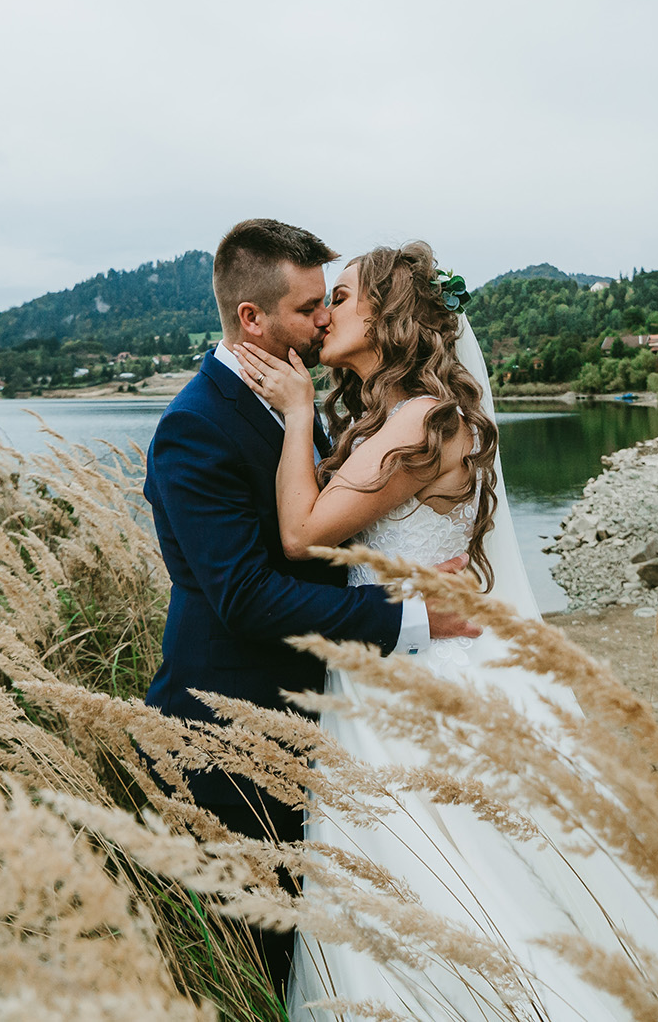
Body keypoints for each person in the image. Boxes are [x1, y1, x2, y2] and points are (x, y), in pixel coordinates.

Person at [229, 241, 658, 1021]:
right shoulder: (402, 415)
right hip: (396, 656)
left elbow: (302, 533)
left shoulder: (420, 421)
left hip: (418, 676)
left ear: (387, 312)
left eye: (340, 296)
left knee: (444, 875)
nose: (325, 313)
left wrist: (299, 409)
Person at [142, 219, 477, 996]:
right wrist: (411, 616)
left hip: (324, 720)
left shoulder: (310, 402)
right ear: (251, 318)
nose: (324, 318)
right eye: (308, 307)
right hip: (232, 738)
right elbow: (246, 595)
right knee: (257, 974)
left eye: (333, 300)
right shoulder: (195, 425)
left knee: (349, 936)